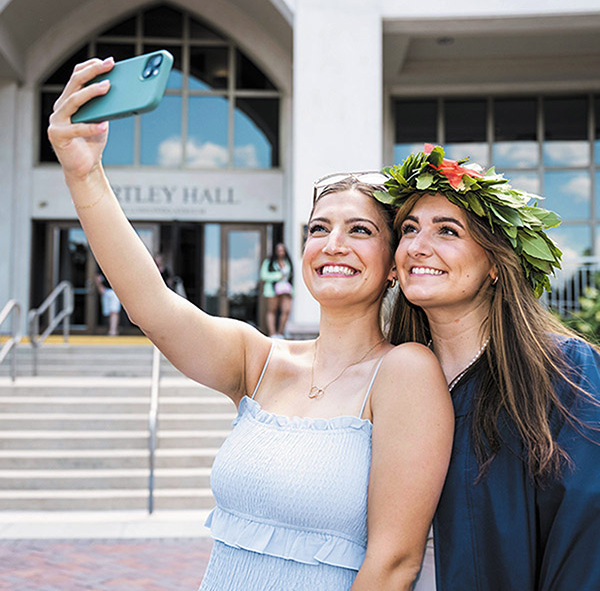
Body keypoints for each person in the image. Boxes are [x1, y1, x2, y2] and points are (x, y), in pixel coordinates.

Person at [47, 57, 454, 591]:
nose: (333, 245)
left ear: (394, 264)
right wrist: (84, 173)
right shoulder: (258, 359)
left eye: (359, 230)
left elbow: (395, 563)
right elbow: (150, 304)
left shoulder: (405, 371)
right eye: (319, 229)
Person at [376, 143, 600, 590]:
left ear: (494, 264)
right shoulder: (384, 381)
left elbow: (585, 541)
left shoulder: (565, 373)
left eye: (447, 232)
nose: (419, 247)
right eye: (409, 229)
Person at [260, 242, 294, 338]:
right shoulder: (269, 262)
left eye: (282, 250)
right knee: (272, 310)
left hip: (286, 290)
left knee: (286, 310)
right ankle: (273, 333)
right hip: (272, 290)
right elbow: (263, 275)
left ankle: (280, 332)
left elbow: (291, 277)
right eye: (278, 250)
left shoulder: (288, 262)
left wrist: (292, 290)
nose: (281, 252)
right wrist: (277, 276)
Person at [94, 269, 121, 335]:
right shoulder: (102, 266)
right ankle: (111, 329)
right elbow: (97, 277)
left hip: (115, 291)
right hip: (106, 291)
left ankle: (113, 331)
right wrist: (100, 287)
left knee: (114, 311)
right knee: (107, 312)